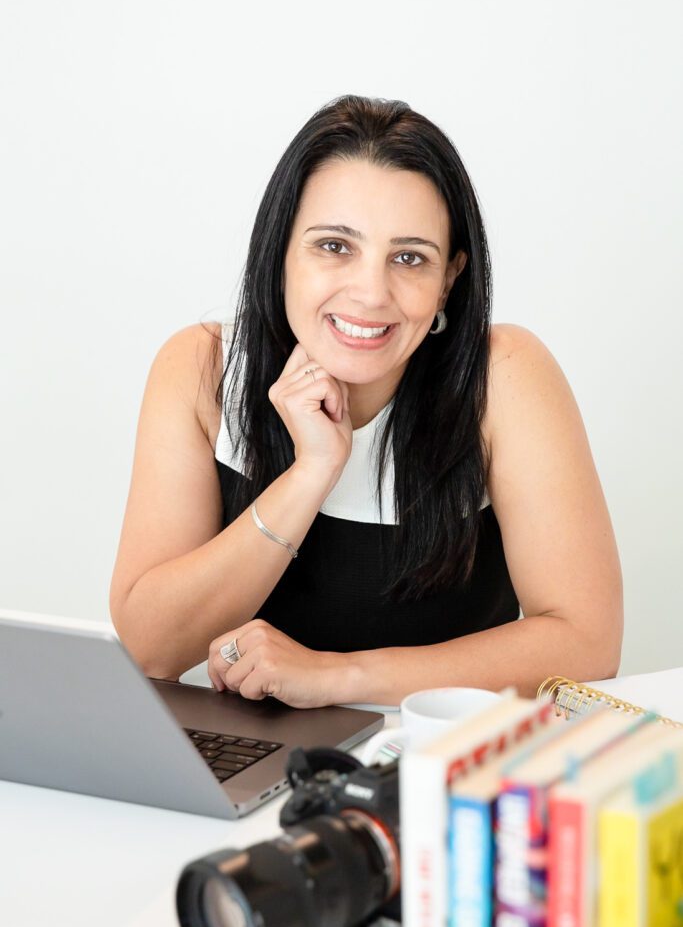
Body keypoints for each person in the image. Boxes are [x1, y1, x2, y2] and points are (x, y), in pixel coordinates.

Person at [109, 94, 623, 708]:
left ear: (449, 279)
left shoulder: (506, 376)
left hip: (443, 763)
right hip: (249, 761)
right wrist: (311, 474)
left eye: (409, 258)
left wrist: (338, 676)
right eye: (334, 246)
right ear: (281, 252)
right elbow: (151, 647)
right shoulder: (202, 370)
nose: (371, 293)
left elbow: (588, 643)